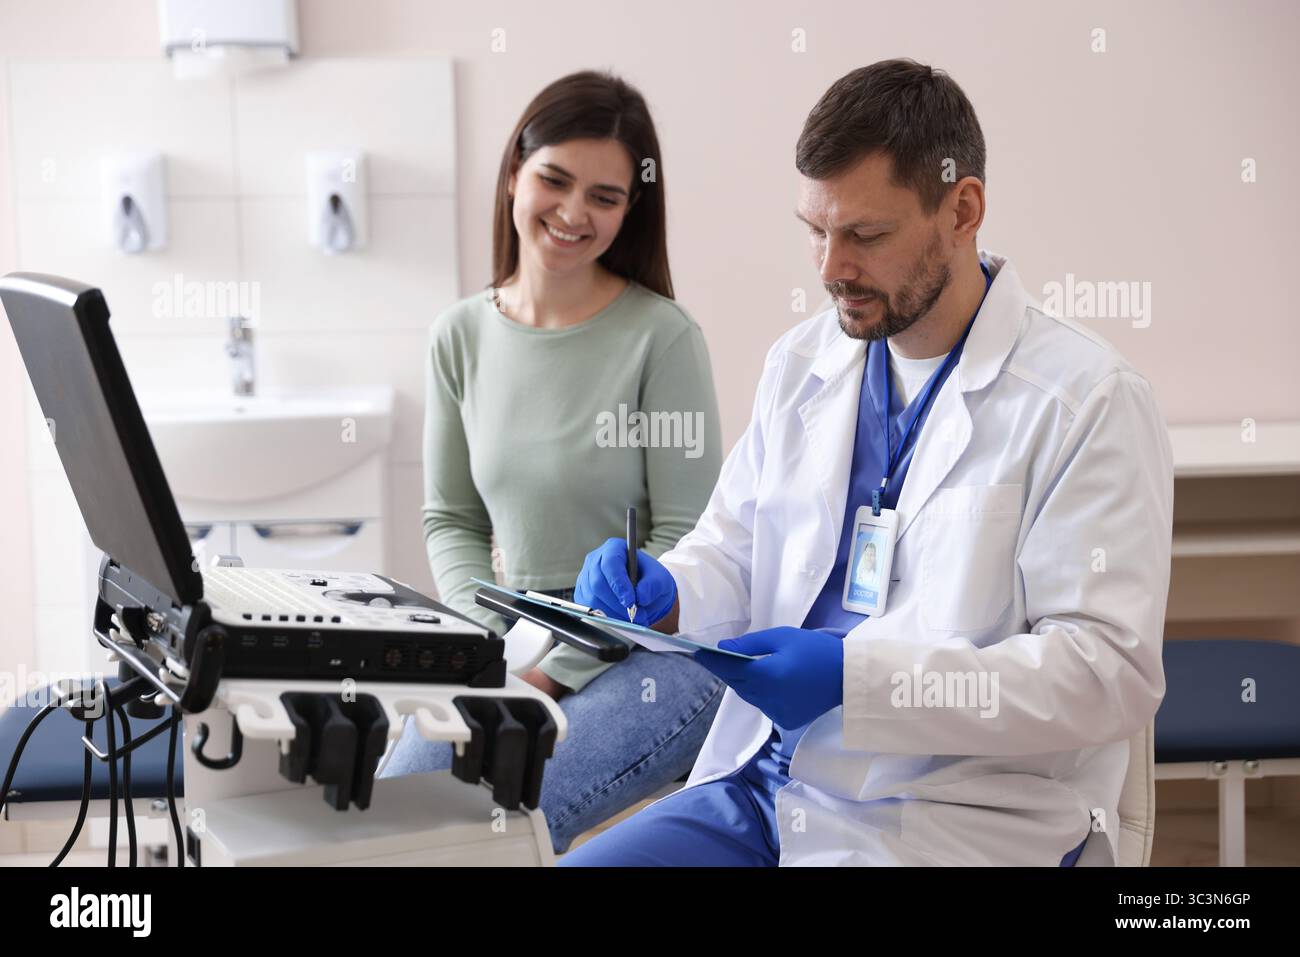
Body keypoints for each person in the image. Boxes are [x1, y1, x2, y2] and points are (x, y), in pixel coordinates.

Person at [559, 59, 1173, 866]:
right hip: (766, 784)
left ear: (963, 208)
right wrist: (671, 590)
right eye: (815, 230)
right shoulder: (803, 363)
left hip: (951, 817)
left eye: (865, 235)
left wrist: (860, 679)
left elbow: (1106, 674)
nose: (829, 267)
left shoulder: (1086, 400)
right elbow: (736, 547)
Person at [379, 71, 725, 854]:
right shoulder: (460, 336)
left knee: (478, 833)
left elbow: (687, 535)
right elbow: (452, 517)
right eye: (555, 181)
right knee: (386, 824)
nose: (574, 214)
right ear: (514, 175)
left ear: (630, 210)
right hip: (514, 640)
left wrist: (549, 671)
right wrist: (484, 645)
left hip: (651, 653)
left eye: (605, 197)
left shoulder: (662, 338)